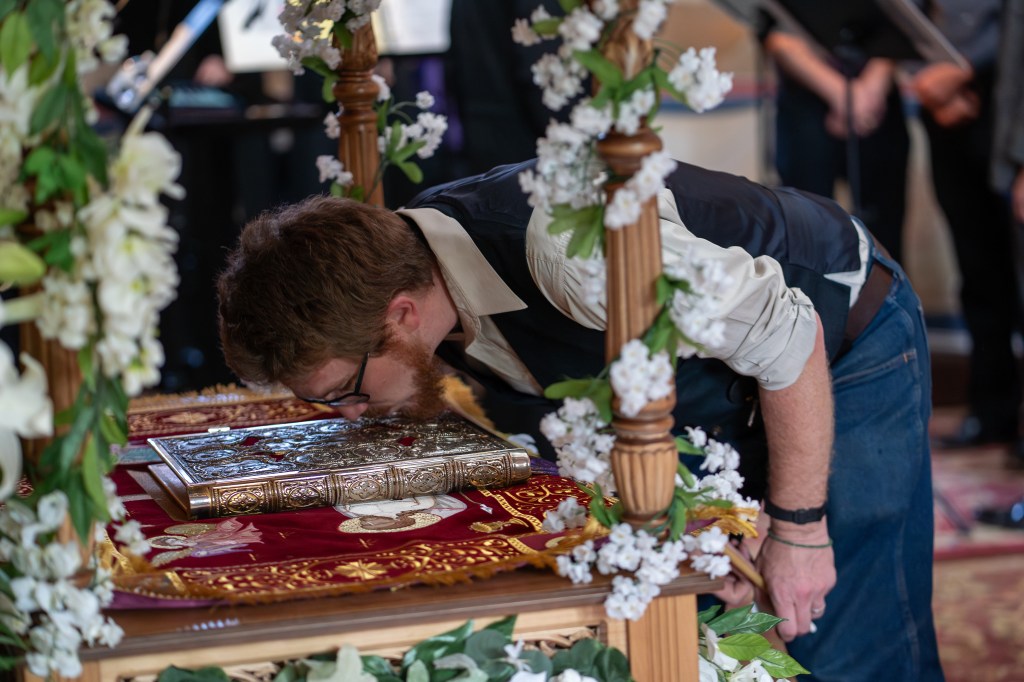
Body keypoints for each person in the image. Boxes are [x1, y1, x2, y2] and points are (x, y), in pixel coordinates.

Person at [216, 159, 942, 681]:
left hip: (840, 339)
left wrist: (799, 528)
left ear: (400, 315)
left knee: (847, 640)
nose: (349, 416)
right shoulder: (418, 270)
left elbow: (789, 335)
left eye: (343, 392)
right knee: (732, 631)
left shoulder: (570, 256)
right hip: (724, 386)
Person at [911, 0, 1023, 449]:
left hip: (1006, 100)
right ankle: (991, 409)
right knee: (977, 268)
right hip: (944, 107)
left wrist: (961, 70)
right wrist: (926, 82)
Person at [762, 28, 910, 263]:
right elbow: (773, 30)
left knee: (884, 233)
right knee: (808, 235)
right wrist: (843, 95)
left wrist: (870, 89)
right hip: (805, 97)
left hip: (876, 96)